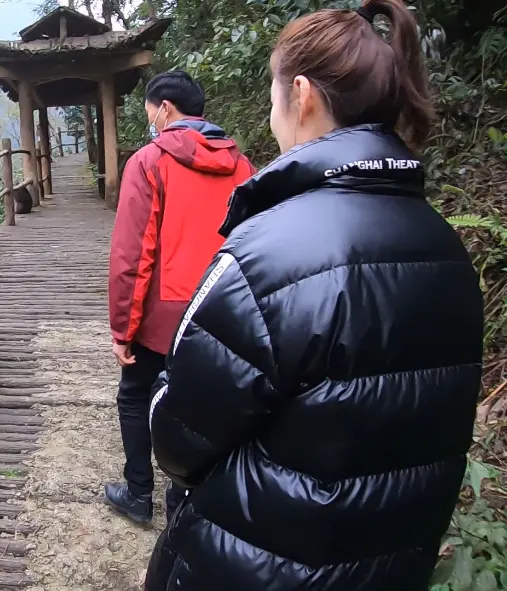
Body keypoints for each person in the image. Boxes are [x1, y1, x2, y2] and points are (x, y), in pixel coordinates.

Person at [144, 1, 484, 589]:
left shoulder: (267, 253)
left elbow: (178, 435)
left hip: (254, 561)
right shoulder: (447, 249)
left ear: (300, 93)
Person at [105, 70, 255, 524]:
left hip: (163, 316)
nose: (150, 120)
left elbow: (134, 253)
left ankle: (137, 494)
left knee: (135, 396)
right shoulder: (244, 167)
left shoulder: (150, 161)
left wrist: (122, 330)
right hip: (223, 311)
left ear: (165, 108)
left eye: (151, 112)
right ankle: (182, 501)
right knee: (199, 404)